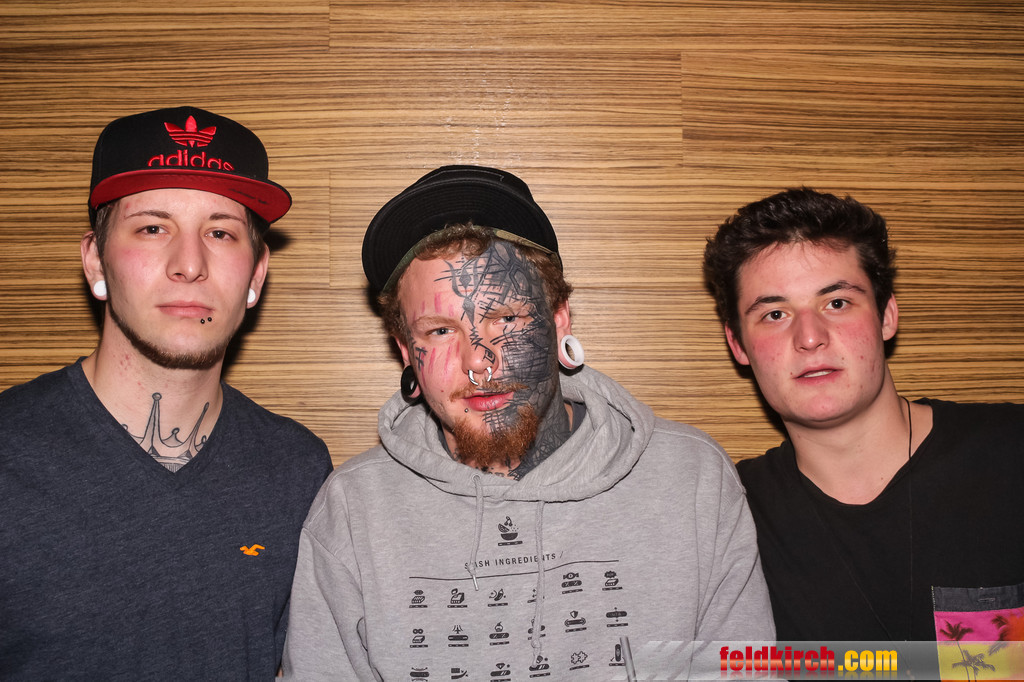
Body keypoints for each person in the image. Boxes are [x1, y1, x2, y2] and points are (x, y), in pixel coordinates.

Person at [283, 165, 774, 680]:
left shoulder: (692, 478)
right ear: (407, 351)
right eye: (440, 330)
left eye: (506, 319)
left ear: (559, 320)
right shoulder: (352, 510)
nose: (479, 362)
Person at [0, 106, 333, 680]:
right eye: (152, 228)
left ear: (256, 275)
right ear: (95, 260)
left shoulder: (298, 470)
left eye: (220, 232)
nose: (189, 264)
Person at [703, 187, 1024, 643]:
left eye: (836, 302)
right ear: (738, 344)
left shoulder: (1010, 454)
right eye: (775, 314)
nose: (809, 337)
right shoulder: (726, 516)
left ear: (886, 315)